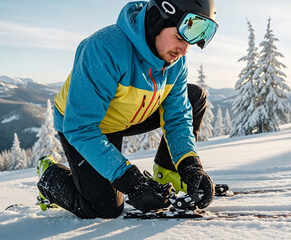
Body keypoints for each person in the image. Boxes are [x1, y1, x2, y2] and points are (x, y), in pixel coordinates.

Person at [37, 0, 219, 219]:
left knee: (193, 97)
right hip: (85, 125)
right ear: (157, 21)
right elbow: (80, 127)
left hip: (130, 113)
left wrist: (190, 165)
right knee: (103, 208)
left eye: (190, 41)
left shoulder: (176, 61)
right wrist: (131, 182)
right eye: (180, 38)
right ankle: (49, 176)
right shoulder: (104, 48)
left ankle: (167, 173)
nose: (184, 50)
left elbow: (178, 118)